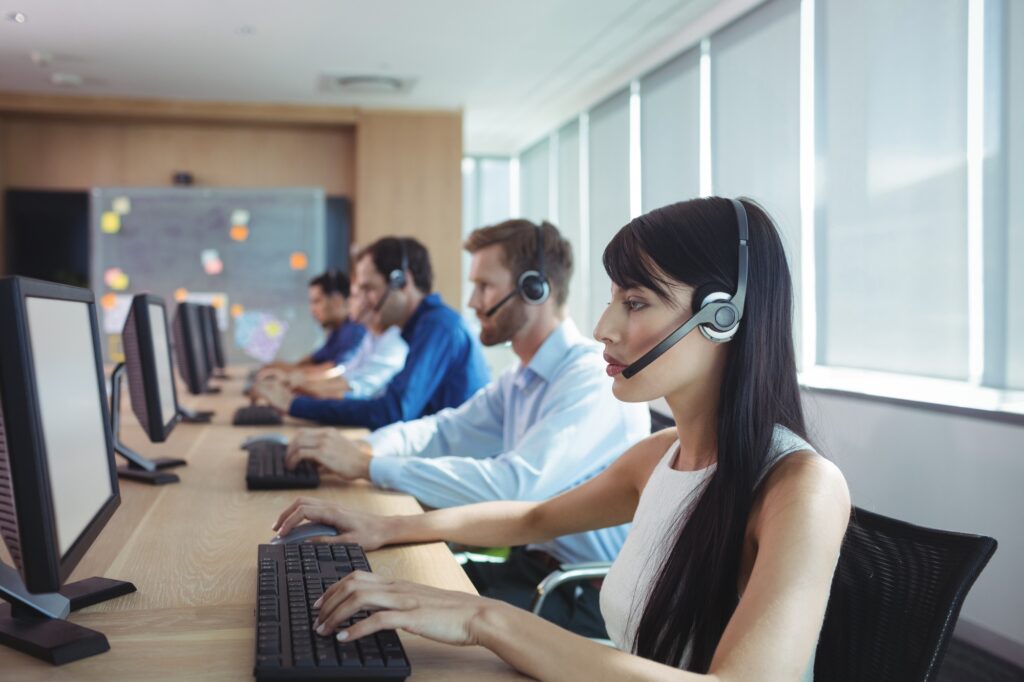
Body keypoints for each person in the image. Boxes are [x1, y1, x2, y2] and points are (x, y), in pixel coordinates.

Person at [272, 197, 851, 680]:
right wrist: (384, 528)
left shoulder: (803, 489)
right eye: (613, 299)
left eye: (635, 302)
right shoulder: (661, 456)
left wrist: (484, 619)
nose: (604, 328)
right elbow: (533, 519)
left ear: (722, 319)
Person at [279, 220, 650, 636]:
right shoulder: (521, 379)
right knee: (364, 587)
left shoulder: (590, 381)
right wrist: (363, 449)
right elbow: (443, 431)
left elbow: (514, 488)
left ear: (536, 289)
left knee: (386, 618)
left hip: (583, 594)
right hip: (531, 569)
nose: (472, 302)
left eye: (484, 287)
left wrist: (370, 467)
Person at [254, 237, 490, 430]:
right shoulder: (416, 330)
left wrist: (295, 405)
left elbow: (393, 411)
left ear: (401, 281)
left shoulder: (438, 327)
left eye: (369, 289)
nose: (362, 302)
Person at [259, 270, 366, 374]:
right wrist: (277, 368)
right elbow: (313, 360)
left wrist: (288, 373)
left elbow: (333, 372)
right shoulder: (337, 332)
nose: (312, 310)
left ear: (337, 301)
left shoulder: (355, 331)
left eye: (317, 301)